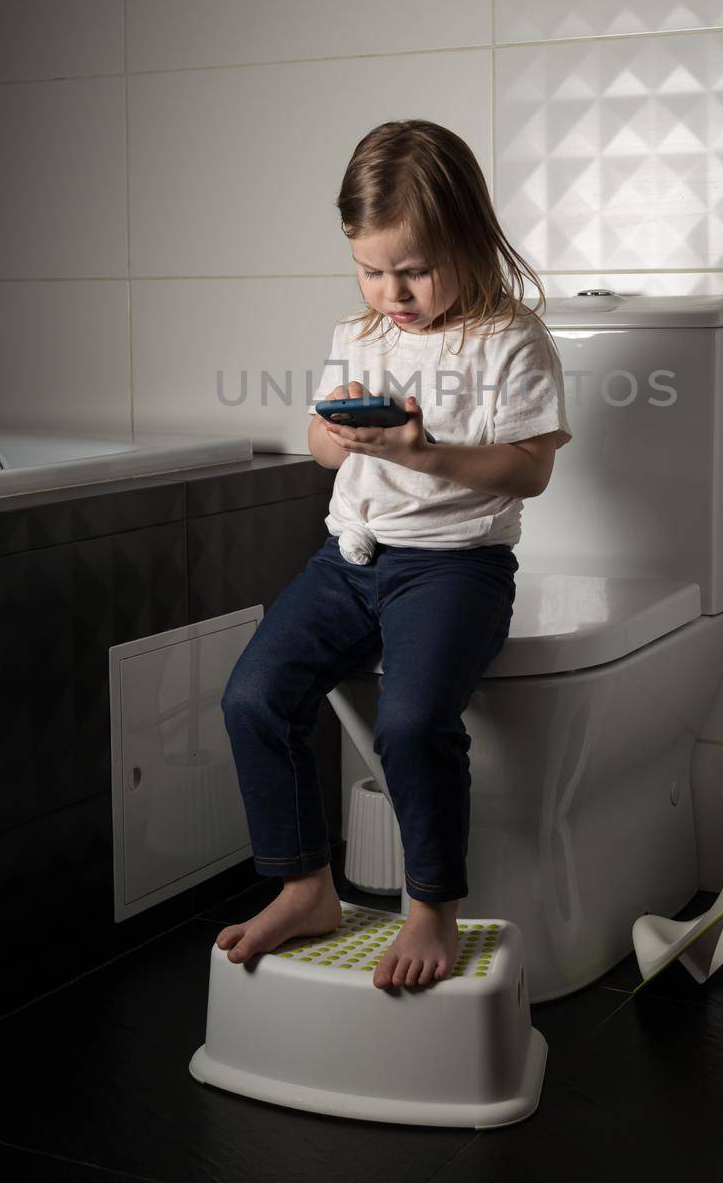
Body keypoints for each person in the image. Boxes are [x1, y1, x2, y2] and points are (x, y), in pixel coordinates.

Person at [216, 120, 572, 990]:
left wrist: (421, 451)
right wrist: (337, 431)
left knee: (412, 723)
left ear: (468, 240)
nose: (392, 291)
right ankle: (306, 886)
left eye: (413, 269)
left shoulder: (510, 341)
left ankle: (431, 910)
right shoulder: (362, 332)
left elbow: (529, 469)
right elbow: (322, 448)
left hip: (454, 566)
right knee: (255, 696)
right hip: (351, 560)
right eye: (372, 269)